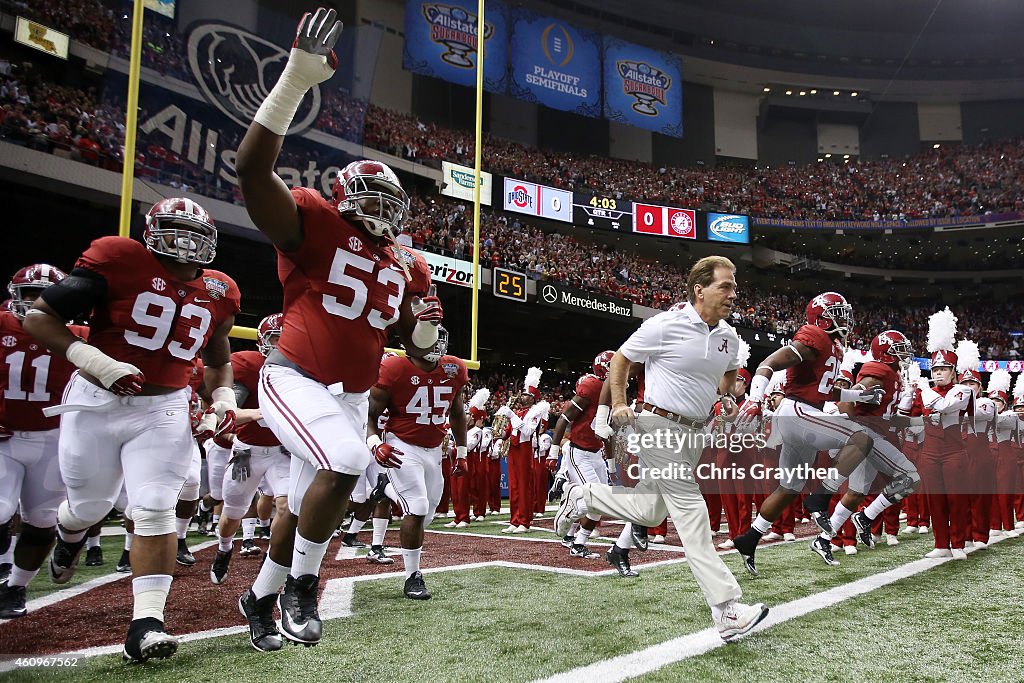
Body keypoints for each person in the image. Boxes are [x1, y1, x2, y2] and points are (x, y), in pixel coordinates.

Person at [234, 5, 440, 647]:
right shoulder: (316, 222)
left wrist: (426, 334)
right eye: (369, 201)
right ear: (345, 198)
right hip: (295, 375)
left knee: (303, 503)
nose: (379, 213)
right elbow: (250, 171)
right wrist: (294, 81)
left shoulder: (404, 265)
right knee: (346, 461)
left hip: (349, 392)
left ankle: (261, 599)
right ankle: (303, 590)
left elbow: (415, 345)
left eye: (390, 206)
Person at [24, 197, 239, 662]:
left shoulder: (220, 291)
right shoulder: (118, 259)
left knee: (155, 507)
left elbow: (219, 361)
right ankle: (70, 529)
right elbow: (40, 317)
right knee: (91, 504)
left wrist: (220, 400)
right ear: (151, 230)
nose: (184, 242)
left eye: (193, 233)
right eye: (174, 230)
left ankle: (146, 623)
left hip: (162, 408)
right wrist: (96, 361)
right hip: (96, 401)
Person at [554, 256, 768, 641]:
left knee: (650, 509)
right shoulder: (665, 324)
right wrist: (618, 403)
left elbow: (729, 371)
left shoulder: (728, 337)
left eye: (735, 286)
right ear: (699, 290)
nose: (734, 294)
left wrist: (727, 397)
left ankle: (583, 497)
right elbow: (622, 359)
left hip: (695, 433)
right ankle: (726, 609)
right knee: (691, 512)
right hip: (658, 424)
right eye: (726, 286)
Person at [730, 292, 882, 577]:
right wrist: (755, 398)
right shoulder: (815, 336)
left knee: (789, 487)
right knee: (862, 439)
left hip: (804, 413)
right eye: (838, 312)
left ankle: (749, 538)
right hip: (798, 412)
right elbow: (769, 363)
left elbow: (827, 390)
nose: (844, 318)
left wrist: (861, 395)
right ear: (822, 317)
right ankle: (820, 498)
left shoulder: (832, 347)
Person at [0, 265, 82, 619]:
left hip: (52, 438)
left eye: (44, 296)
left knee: (41, 520)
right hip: (4, 436)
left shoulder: (81, 335)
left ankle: (16, 586)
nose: (35, 303)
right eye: (29, 294)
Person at [366, 327, 469, 599]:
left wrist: (462, 452)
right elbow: (369, 417)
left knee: (429, 512)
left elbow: (458, 414)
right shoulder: (394, 368)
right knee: (418, 507)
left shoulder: (453, 368)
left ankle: (385, 487)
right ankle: (413, 577)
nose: (436, 344)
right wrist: (375, 444)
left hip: (434, 448)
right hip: (401, 444)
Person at [210, 314, 290, 588]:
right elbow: (230, 413)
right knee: (233, 511)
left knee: (288, 505)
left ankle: (274, 558)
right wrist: (260, 413)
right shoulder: (248, 365)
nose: (281, 345)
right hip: (248, 451)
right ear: (263, 341)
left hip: (283, 451)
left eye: (286, 338)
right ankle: (224, 547)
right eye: (276, 338)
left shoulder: (300, 368)